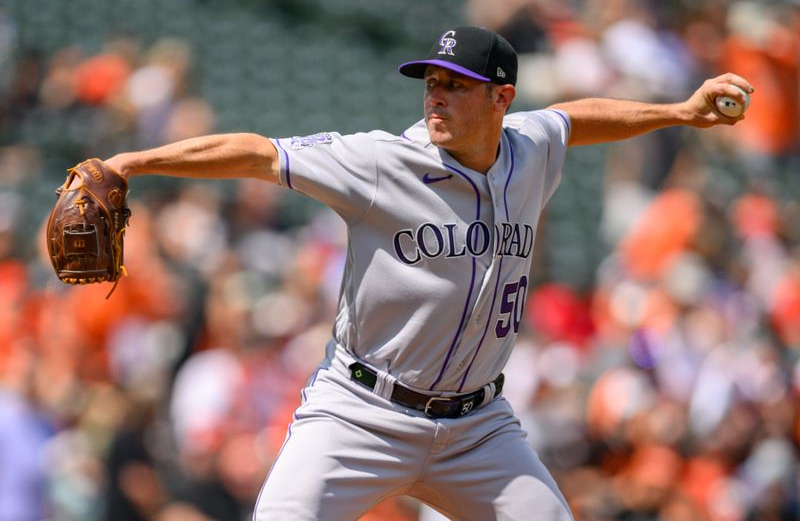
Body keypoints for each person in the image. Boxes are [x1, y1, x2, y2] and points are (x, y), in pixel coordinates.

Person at [92, 26, 752, 520]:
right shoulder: (381, 162)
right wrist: (136, 162)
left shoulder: (529, 145)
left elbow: (578, 119)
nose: (436, 94)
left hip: (478, 426)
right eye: (431, 80)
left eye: (455, 84)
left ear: (501, 98)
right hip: (361, 411)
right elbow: (258, 156)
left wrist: (680, 112)